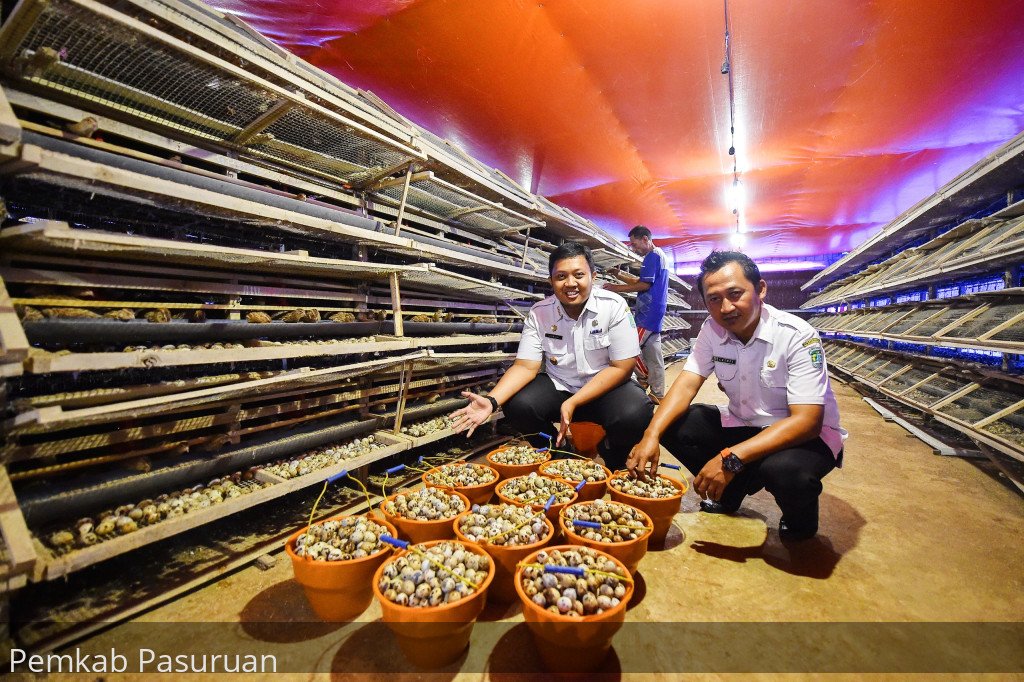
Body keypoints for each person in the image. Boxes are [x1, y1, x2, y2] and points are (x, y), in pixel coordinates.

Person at [626, 250, 846, 541]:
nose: (726, 307)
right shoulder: (711, 330)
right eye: (714, 299)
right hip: (745, 423)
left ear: (761, 290)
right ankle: (729, 491)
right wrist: (650, 434)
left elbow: (807, 422)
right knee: (674, 423)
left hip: (802, 436)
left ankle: (799, 521)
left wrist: (730, 459)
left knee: (785, 471)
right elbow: (687, 383)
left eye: (735, 294)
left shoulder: (796, 335)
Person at [451, 241, 654, 470]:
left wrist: (574, 401)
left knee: (636, 412)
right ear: (551, 281)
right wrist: (491, 400)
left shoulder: (614, 306)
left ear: (593, 276)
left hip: (606, 389)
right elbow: (525, 367)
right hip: (562, 386)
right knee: (518, 405)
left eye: (579, 275)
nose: (570, 284)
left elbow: (622, 367)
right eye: (561, 276)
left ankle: (613, 454)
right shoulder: (540, 313)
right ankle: (559, 454)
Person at [602, 225, 670, 401]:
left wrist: (616, 288)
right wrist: (619, 274)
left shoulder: (651, 257)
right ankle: (658, 393)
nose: (633, 247)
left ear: (645, 239)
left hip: (646, 314)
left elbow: (644, 285)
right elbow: (640, 280)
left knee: (628, 348)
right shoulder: (659, 256)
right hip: (655, 312)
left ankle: (643, 377)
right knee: (654, 355)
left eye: (634, 243)